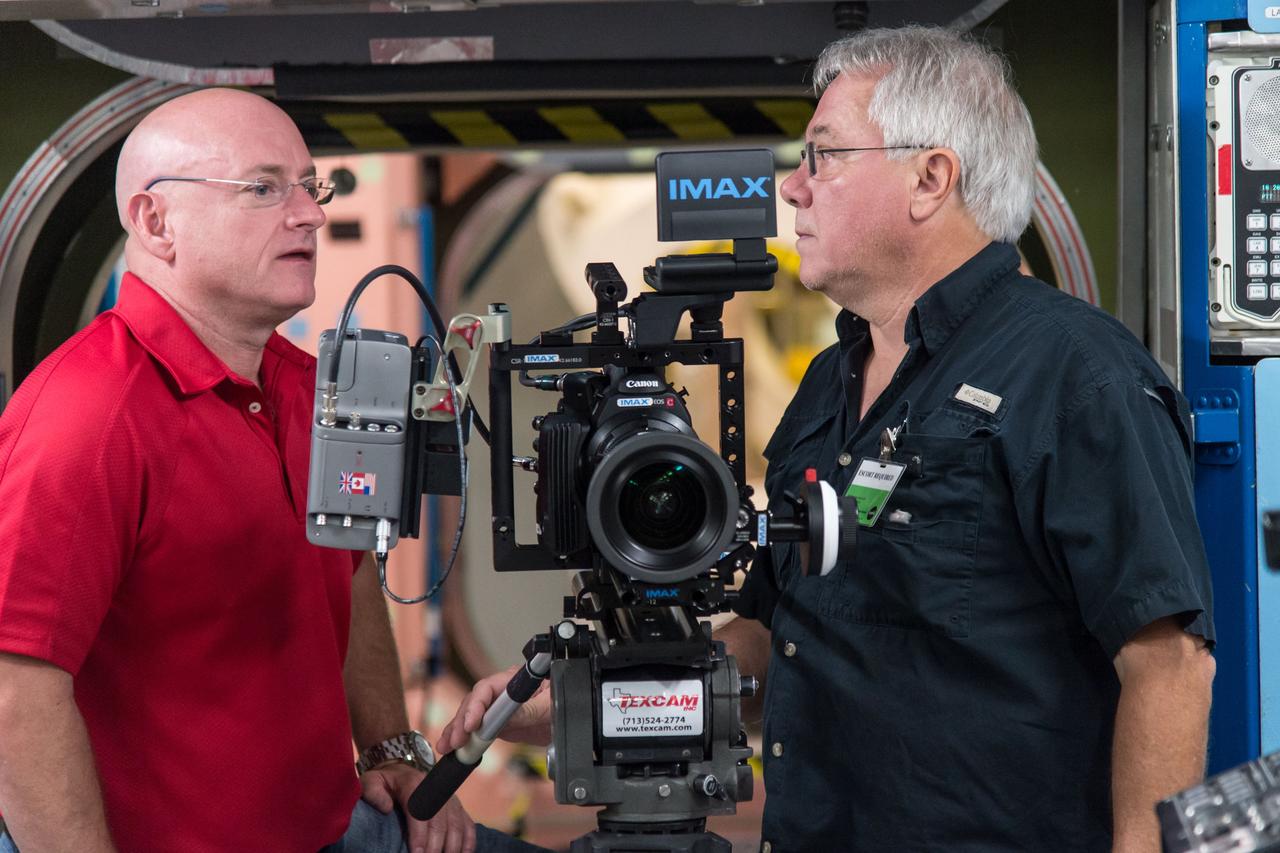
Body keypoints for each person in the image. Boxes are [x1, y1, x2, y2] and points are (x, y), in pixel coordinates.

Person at [438, 26, 1217, 853]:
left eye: (824, 155)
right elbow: (777, 643)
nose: (794, 186)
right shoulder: (829, 381)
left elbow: (1169, 666)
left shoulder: (1077, 376)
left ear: (930, 179)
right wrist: (582, 703)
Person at [0, 88, 522, 853]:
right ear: (155, 221)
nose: (309, 214)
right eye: (263, 188)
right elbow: (15, 690)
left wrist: (391, 748)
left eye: (310, 186)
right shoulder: (89, 415)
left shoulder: (305, 388)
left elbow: (348, 567)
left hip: (336, 828)